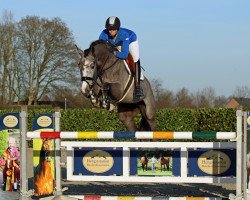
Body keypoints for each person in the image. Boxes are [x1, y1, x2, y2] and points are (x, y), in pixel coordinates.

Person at [99, 16, 144, 101]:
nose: (111, 31)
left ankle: (138, 88)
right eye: (109, 29)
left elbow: (124, 54)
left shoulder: (124, 34)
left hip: (130, 41)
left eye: (113, 29)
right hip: (115, 44)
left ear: (118, 29)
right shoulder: (103, 34)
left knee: (135, 58)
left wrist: (113, 52)